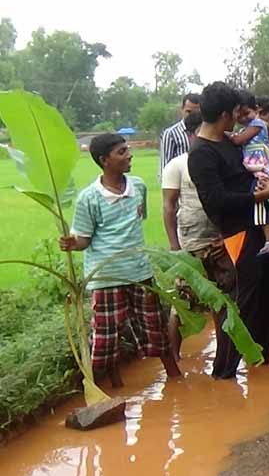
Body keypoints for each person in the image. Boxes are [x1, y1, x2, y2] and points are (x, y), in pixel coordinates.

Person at [61, 134, 182, 389]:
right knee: (105, 338)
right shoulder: (89, 198)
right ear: (104, 160)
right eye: (121, 151)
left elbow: (138, 220)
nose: (129, 155)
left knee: (155, 329)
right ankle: (105, 387)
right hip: (106, 277)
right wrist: (73, 244)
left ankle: (175, 378)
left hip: (139, 272)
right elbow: (83, 239)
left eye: (127, 149)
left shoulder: (137, 186)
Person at [189, 81, 269, 379]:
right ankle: (224, 371)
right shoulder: (202, 154)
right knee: (240, 305)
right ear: (226, 114)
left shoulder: (229, 142)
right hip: (237, 234)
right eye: (237, 112)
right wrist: (260, 196)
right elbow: (215, 201)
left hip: (259, 225)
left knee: (268, 295)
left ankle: (260, 362)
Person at [161, 111, 222, 358]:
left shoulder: (218, 159)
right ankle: (174, 357)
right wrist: (175, 245)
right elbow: (168, 205)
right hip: (190, 242)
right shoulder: (177, 165)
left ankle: (223, 353)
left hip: (218, 239)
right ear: (191, 134)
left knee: (222, 300)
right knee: (183, 302)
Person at [228, 92, 269, 256]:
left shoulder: (258, 124)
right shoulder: (248, 127)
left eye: (247, 113)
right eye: (240, 114)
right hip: (256, 165)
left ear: (256, 110)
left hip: (262, 164)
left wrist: (224, 134)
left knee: (261, 198)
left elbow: (238, 141)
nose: (243, 118)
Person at [159, 93, 201, 178]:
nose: (192, 115)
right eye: (188, 111)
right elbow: (165, 166)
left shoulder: (207, 132)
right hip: (180, 184)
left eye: (196, 112)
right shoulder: (171, 133)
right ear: (182, 109)